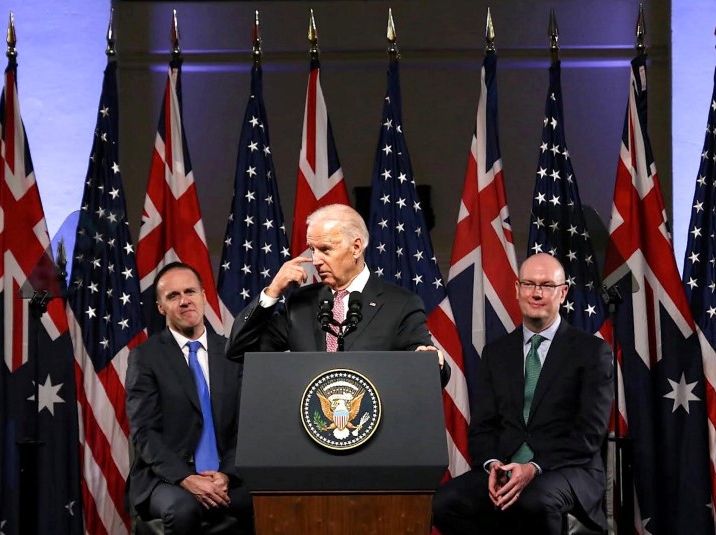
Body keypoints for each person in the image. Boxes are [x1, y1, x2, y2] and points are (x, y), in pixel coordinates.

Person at [432, 253, 613, 534]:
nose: (536, 293)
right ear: (517, 290)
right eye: (529, 284)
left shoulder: (591, 351)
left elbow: (589, 434)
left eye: (546, 286)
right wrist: (493, 465)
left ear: (562, 292)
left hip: (568, 468)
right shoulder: (496, 353)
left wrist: (534, 467)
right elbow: (483, 427)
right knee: (444, 503)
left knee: (534, 500)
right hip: (505, 468)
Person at [228, 203, 450, 385]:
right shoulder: (300, 304)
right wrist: (272, 291)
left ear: (356, 247)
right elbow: (240, 351)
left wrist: (432, 361)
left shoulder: (400, 304)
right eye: (312, 249)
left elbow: (429, 371)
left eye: (325, 249)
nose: (315, 260)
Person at [126, 262, 254, 535]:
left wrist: (226, 475)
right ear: (161, 307)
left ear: (204, 296)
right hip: (166, 479)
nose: (185, 301)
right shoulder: (146, 358)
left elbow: (246, 427)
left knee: (268, 502)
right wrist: (186, 478)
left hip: (225, 474)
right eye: (173, 296)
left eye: (190, 292)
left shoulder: (232, 353)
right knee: (183, 510)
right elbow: (145, 433)